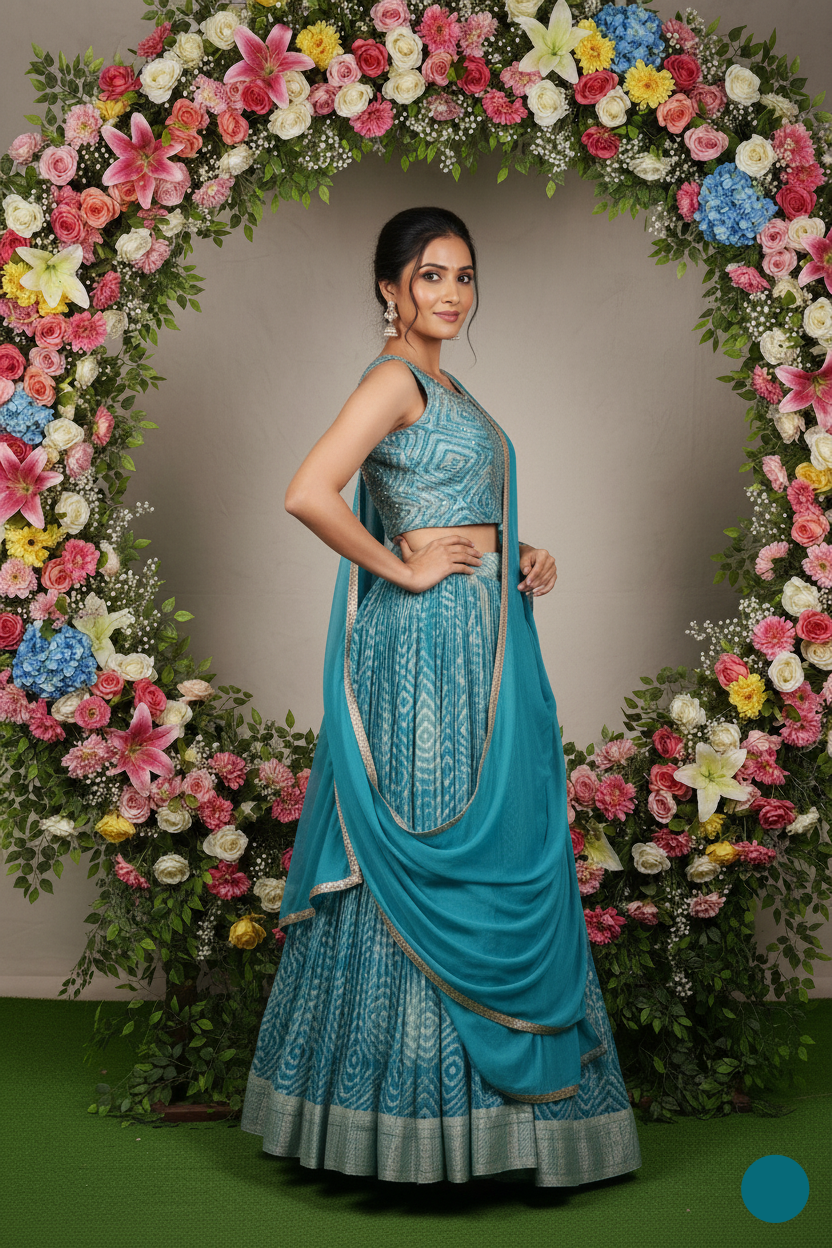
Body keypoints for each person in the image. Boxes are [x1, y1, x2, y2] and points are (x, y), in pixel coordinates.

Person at [240, 206, 642, 1187]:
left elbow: (459, 507)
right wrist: (401, 569)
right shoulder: (391, 378)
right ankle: (401, 1127)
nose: (450, 294)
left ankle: (496, 1130)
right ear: (388, 287)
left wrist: (522, 553)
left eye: (462, 275)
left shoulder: (450, 384)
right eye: (429, 276)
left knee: (493, 845)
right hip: (421, 650)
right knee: (430, 837)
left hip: (484, 642)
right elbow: (309, 491)